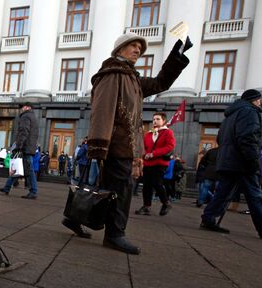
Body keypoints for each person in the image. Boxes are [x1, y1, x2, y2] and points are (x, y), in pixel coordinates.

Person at [62, 32, 192, 254]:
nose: (137, 50)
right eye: (132, 46)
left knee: (107, 189)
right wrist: (99, 146)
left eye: (139, 48)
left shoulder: (132, 78)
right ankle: (114, 235)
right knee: (121, 189)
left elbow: (161, 82)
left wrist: (176, 54)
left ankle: (75, 217)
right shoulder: (112, 74)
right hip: (115, 145)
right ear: (119, 50)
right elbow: (102, 111)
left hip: (126, 145)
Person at [200, 89, 262, 238]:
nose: (260, 102)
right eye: (259, 99)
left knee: (223, 193)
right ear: (254, 100)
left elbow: (220, 139)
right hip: (242, 161)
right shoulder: (249, 112)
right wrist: (252, 160)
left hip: (228, 160)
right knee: (255, 194)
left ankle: (208, 218)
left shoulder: (230, 116)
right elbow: (248, 137)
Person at [135, 112, 176, 216]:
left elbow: (169, 146)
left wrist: (153, 154)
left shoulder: (168, 132)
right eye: (153, 119)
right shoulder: (149, 134)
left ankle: (166, 203)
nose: (155, 121)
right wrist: (144, 155)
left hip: (160, 162)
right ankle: (146, 206)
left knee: (157, 183)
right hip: (148, 163)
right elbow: (143, 147)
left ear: (164, 121)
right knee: (146, 185)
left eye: (158, 119)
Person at [0, 102, 39, 199]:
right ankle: (7, 187)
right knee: (17, 166)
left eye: (23, 107)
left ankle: (33, 191)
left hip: (25, 147)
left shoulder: (26, 117)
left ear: (28, 107)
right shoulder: (34, 117)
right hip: (30, 146)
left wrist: (18, 146)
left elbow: (23, 132)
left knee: (29, 169)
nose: (22, 108)